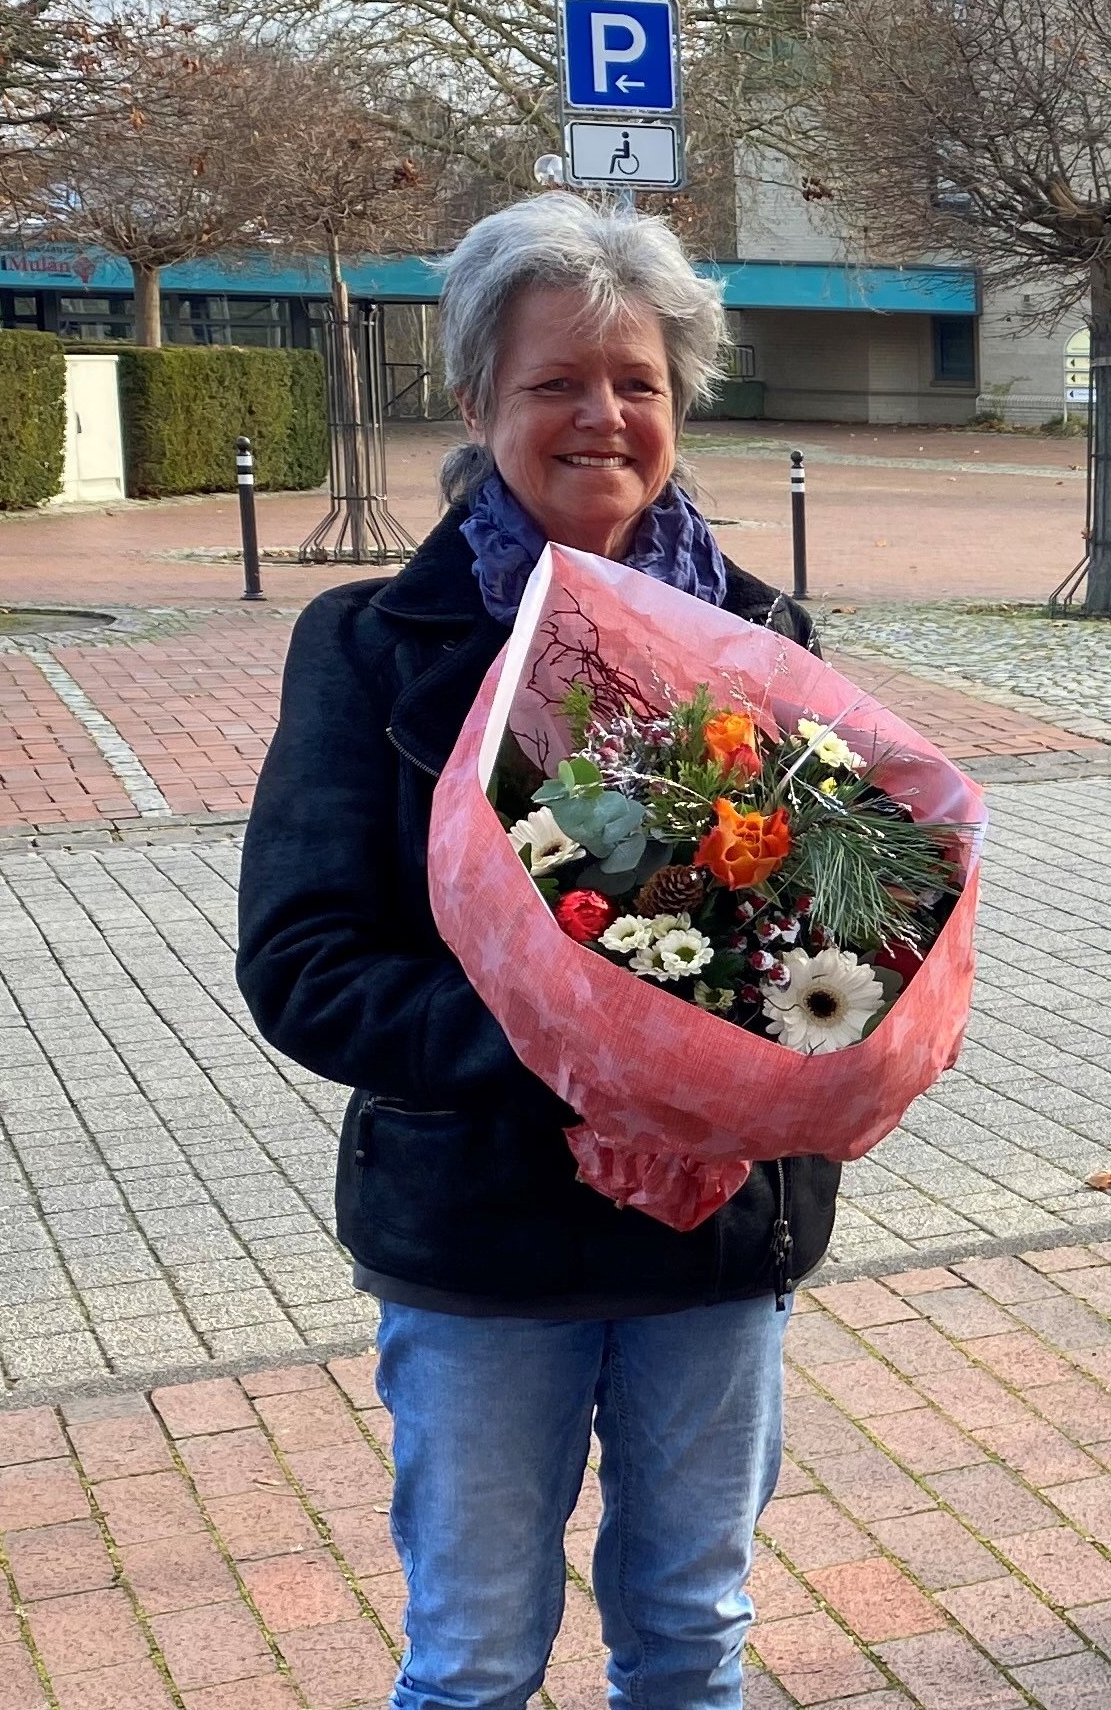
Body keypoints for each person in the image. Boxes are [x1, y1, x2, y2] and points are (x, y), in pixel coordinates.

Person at [236, 192, 838, 1710]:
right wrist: (579, 1056)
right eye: (555, 382)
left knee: (692, 1634)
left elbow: (831, 934)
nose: (603, 416)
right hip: (485, 1237)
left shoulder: (765, 636)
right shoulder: (373, 643)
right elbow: (303, 958)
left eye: (636, 381)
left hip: (712, 1233)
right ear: (473, 403)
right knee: (477, 1654)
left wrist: (782, 1064)